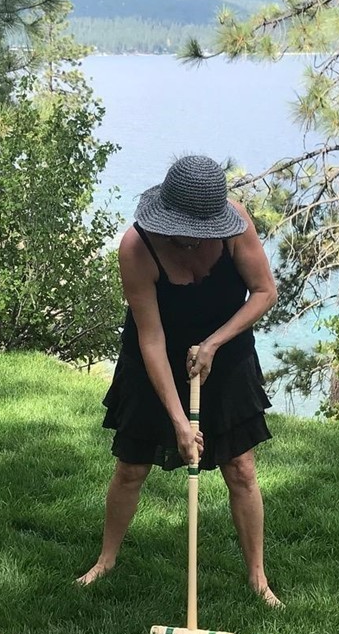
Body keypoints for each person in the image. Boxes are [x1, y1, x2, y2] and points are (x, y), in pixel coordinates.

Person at [76, 154, 281, 606]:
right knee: (131, 466)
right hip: (155, 358)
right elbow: (150, 339)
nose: (195, 241)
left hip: (225, 355)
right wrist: (179, 422)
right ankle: (106, 560)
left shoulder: (236, 226)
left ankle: (258, 579)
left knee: (241, 468)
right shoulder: (137, 247)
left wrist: (213, 344)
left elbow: (265, 292)